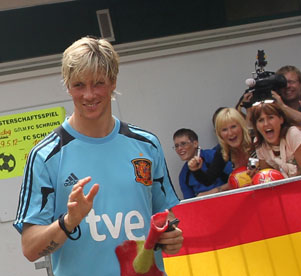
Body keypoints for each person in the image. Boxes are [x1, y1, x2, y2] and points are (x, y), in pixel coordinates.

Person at [13, 37, 183, 275]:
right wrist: (68, 221)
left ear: (113, 82)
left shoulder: (147, 145)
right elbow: (30, 248)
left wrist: (172, 236)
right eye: (79, 85)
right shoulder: (45, 156)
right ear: (68, 85)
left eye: (98, 83)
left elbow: (168, 217)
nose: (89, 95)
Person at [188, 108, 255, 188]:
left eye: (233, 127)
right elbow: (208, 180)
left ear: (242, 127)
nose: (230, 133)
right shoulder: (222, 150)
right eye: (224, 130)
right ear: (219, 134)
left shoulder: (256, 140)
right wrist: (196, 170)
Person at [250, 101, 301, 178]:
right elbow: (268, 179)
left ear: (281, 119)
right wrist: (257, 175)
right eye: (261, 120)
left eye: (270, 117)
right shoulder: (259, 143)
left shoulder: (293, 134)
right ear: (256, 126)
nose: (266, 123)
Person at [173, 128, 231, 199]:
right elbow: (190, 202)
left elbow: (236, 179)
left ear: (195, 144)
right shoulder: (183, 174)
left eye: (183, 144)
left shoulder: (213, 156)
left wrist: (213, 192)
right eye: (176, 146)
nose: (179, 148)